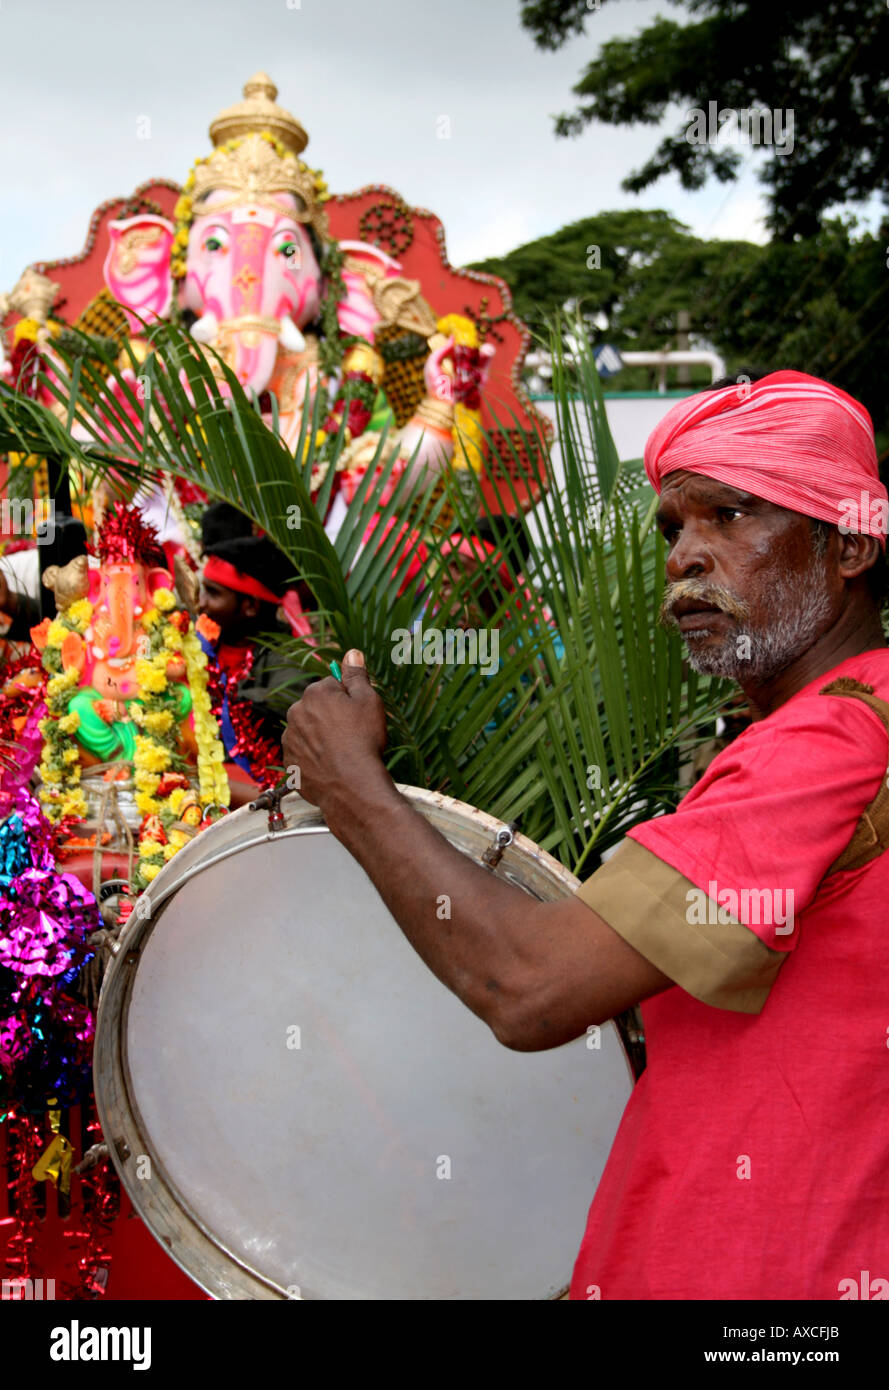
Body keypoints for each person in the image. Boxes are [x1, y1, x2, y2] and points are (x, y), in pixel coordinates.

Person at [282, 369, 889, 1301]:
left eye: (729, 518)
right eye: (673, 528)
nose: (686, 556)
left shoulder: (831, 740)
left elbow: (530, 988)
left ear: (846, 546)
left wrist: (351, 784)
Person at [199, 517, 313, 803]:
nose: (201, 603)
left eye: (213, 593)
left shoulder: (289, 667)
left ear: (249, 605)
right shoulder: (198, 645)